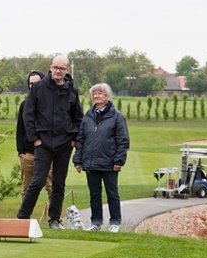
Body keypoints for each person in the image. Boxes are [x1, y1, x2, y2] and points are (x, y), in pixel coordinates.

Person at [16, 55, 83, 229]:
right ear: (50, 68)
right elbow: (28, 115)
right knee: (37, 181)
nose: (57, 71)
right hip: (43, 143)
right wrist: (35, 139)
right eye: (55, 67)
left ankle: (54, 219)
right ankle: (22, 217)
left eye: (61, 68)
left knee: (59, 183)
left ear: (66, 70)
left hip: (64, 143)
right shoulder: (38, 88)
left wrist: (74, 139)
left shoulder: (72, 91)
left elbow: (78, 117)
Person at [73, 83, 130, 232]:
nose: (97, 96)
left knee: (112, 193)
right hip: (91, 163)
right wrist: (78, 160)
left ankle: (115, 223)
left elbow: (123, 140)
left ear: (107, 96)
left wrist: (119, 160)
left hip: (110, 163)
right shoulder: (88, 116)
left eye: (100, 93)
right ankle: (96, 223)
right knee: (94, 195)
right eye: (95, 94)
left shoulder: (117, 116)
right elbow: (80, 139)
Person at [16, 71, 53, 200]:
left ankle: (55, 218)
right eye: (31, 83)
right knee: (26, 190)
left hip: (47, 153)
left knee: (52, 187)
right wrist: (21, 152)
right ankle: (24, 219)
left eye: (36, 83)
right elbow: (20, 129)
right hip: (28, 155)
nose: (33, 86)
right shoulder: (24, 105)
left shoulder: (51, 104)